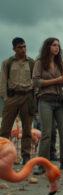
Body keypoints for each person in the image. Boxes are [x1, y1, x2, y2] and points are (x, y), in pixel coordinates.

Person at [32, 37, 63, 175]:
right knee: (46, 134)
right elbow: (37, 82)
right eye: (54, 45)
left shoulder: (58, 63)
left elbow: (58, 84)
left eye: (58, 46)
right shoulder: (39, 63)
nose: (57, 48)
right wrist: (58, 79)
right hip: (45, 100)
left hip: (59, 100)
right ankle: (42, 165)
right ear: (48, 47)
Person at [0, 37, 35, 165]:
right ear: (14, 48)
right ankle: (3, 154)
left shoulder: (32, 63)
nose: (23, 49)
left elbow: (35, 81)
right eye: (20, 47)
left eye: (24, 46)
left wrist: (34, 97)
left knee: (27, 129)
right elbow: (3, 81)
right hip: (12, 97)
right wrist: (5, 98)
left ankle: (26, 156)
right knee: (5, 129)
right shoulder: (7, 63)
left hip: (27, 97)